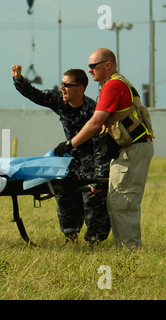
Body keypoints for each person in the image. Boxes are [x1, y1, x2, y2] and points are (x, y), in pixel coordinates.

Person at [53, 48, 154, 250]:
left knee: (123, 201)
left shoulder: (112, 86)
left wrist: (70, 144)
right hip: (131, 149)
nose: (89, 70)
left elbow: (95, 123)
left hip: (132, 150)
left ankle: (131, 251)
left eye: (93, 66)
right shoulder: (116, 83)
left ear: (108, 65)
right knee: (118, 201)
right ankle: (127, 249)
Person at [11, 65, 111, 245]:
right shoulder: (59, 100)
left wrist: (99, 178)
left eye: (67, 84)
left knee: (94, 197)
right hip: (70, 158)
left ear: (80, 88)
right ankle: (70, 235)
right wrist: (19, 79)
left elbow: (100, 147)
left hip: (92, 159)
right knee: (63, 191)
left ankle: (94, 241)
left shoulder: (92, 110)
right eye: (62, 84)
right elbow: (36, 95)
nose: (62, 88)